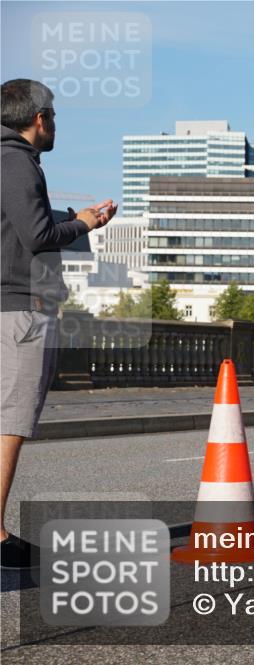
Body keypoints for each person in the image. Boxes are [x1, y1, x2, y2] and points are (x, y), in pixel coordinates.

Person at [1, 79, 117, 569]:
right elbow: (37, 235)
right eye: (54, 116)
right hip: (20, 309)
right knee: (10, 422)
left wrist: (68, 217)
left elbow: (21, 224)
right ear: (40, 118)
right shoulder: (18, 162)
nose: (55, 124)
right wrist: (85, 224)